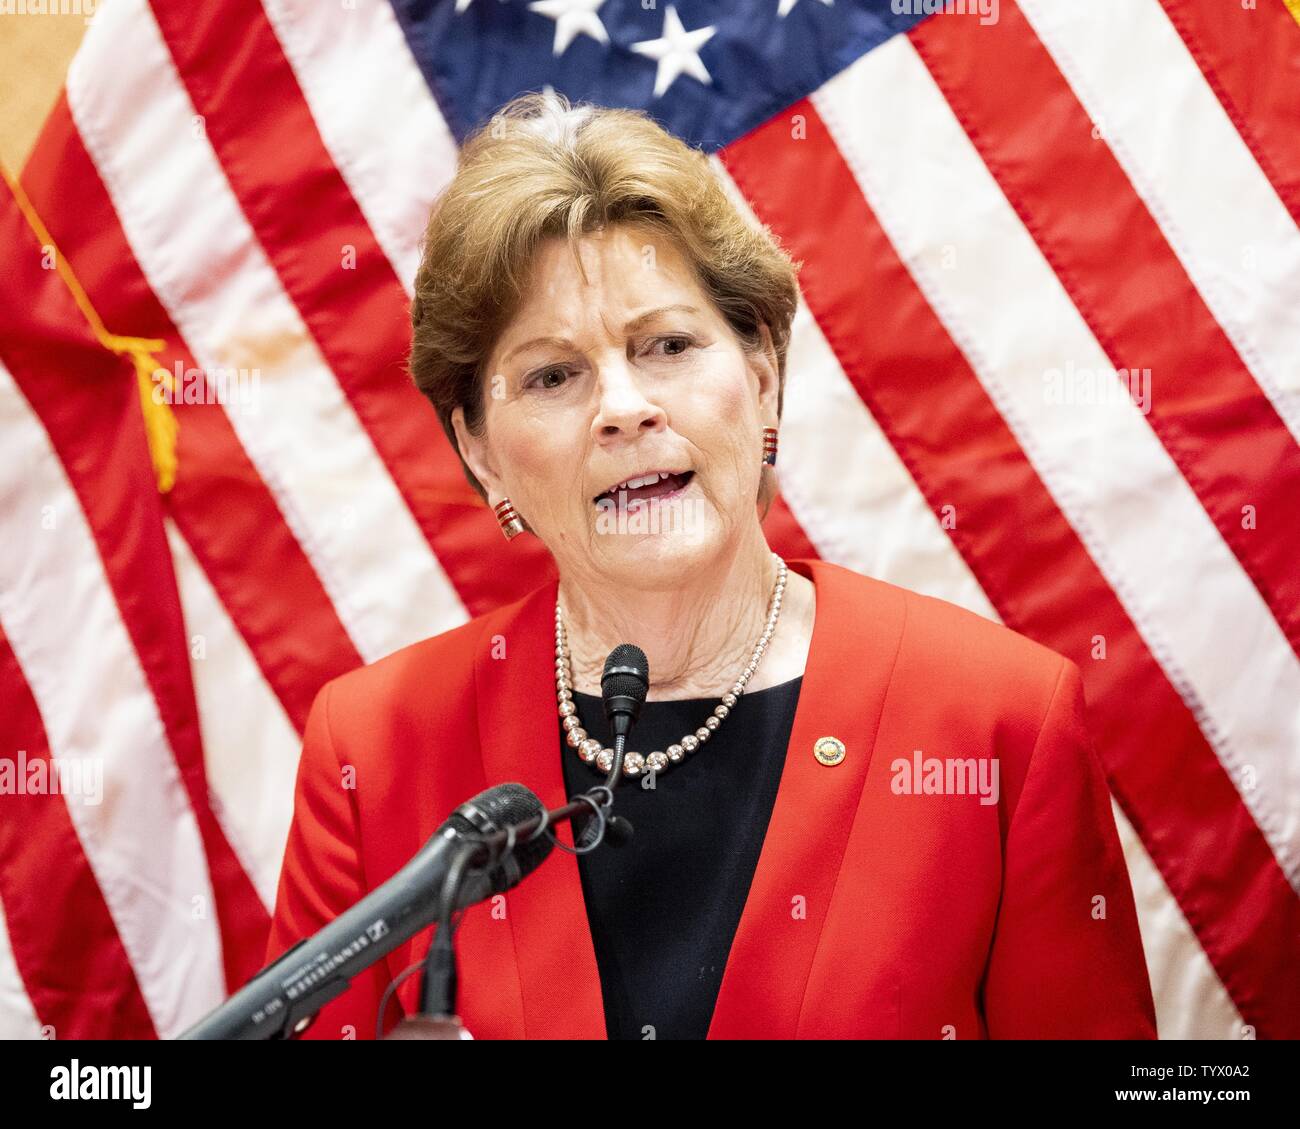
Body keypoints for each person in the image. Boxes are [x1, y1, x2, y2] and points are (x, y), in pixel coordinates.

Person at [264, 91, 1157, 1040]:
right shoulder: (372, 749)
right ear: (481, 451)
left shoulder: (1000, 721)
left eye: (669, 346)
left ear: (763, 374)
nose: (623, 406)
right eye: (553, 375)